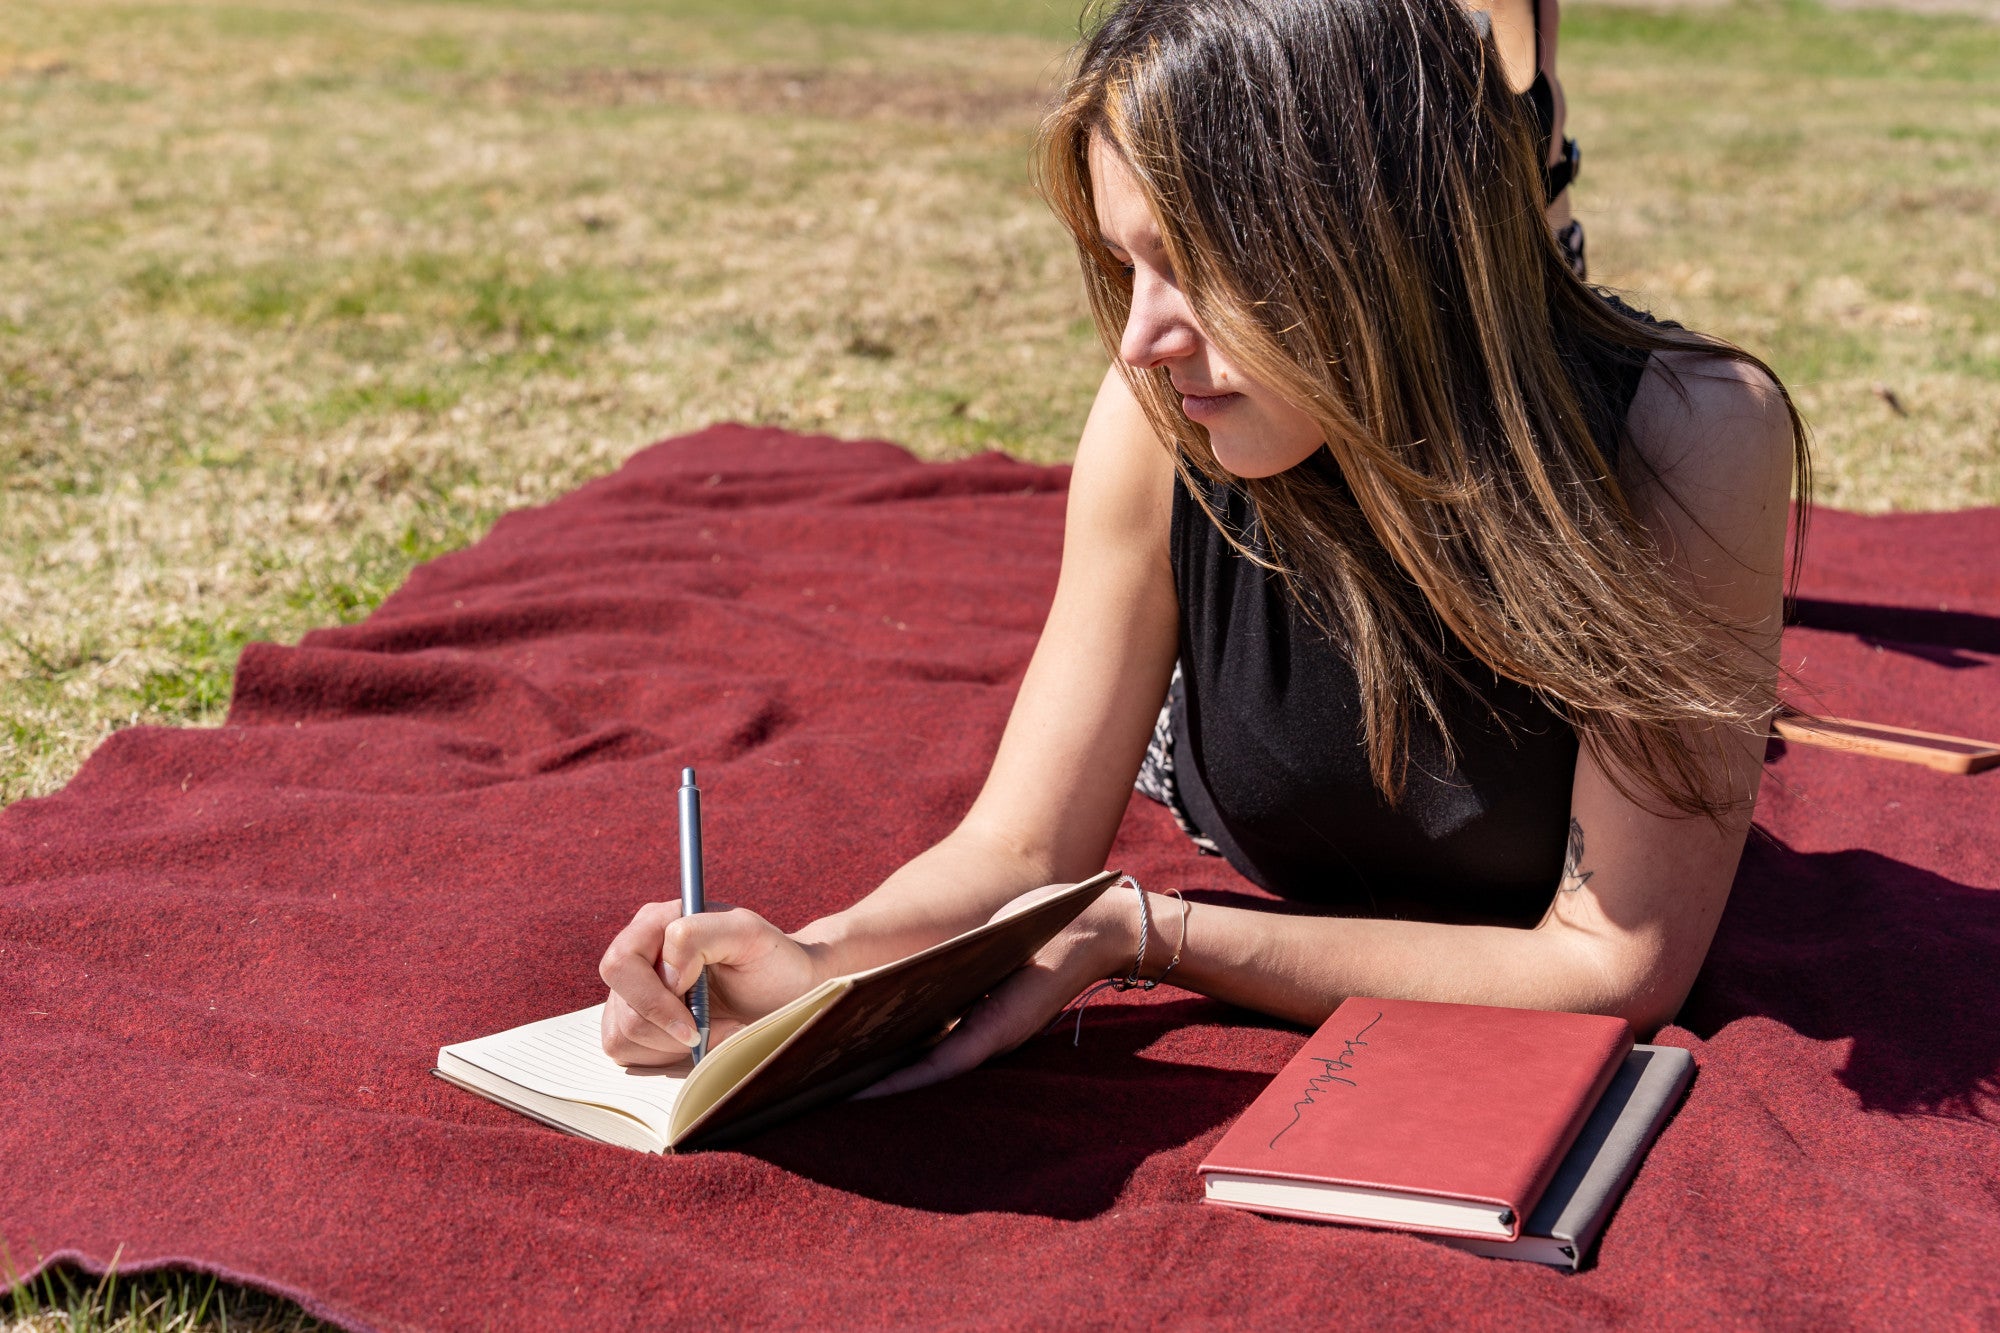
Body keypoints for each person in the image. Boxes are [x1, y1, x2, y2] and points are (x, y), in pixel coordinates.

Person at [597, 0, 1809, 1095]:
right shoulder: (1159, 415)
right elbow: (1019, 846)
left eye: (1193, 266)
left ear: (1366, 235)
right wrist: (818, 967)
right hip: (1210, 757)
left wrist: (1156, 933)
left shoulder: (1688, 437)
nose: (1136, 340)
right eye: (1127, 262)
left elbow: (1614, 964)